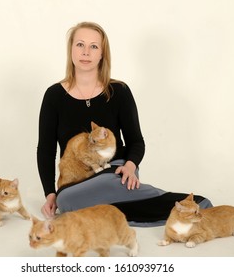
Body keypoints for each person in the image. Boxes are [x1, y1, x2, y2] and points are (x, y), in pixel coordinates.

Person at [37, 21, 212, 226]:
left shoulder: (119, 91)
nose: (86, 52)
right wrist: (50, 193)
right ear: (71, 50)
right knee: (65, 199)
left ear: (102, 54)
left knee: (83, 195)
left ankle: (186, 204)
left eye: (94, 46)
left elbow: (136, 142)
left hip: (117, 171)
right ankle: (158, 207)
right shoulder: (54, 95)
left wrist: (130, 166)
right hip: (77, 181)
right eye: (80, 45)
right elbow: (46, 150)